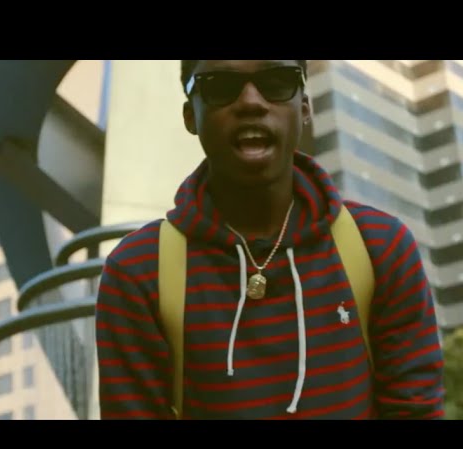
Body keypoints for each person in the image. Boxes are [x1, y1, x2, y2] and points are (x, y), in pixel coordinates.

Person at [95, 60, 445, 419]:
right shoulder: (138, 273)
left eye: (277, 82)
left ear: (304, 107)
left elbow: (415, 409)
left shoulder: (380, 247)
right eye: (220, 86)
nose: (251, 102)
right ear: (190, 116)